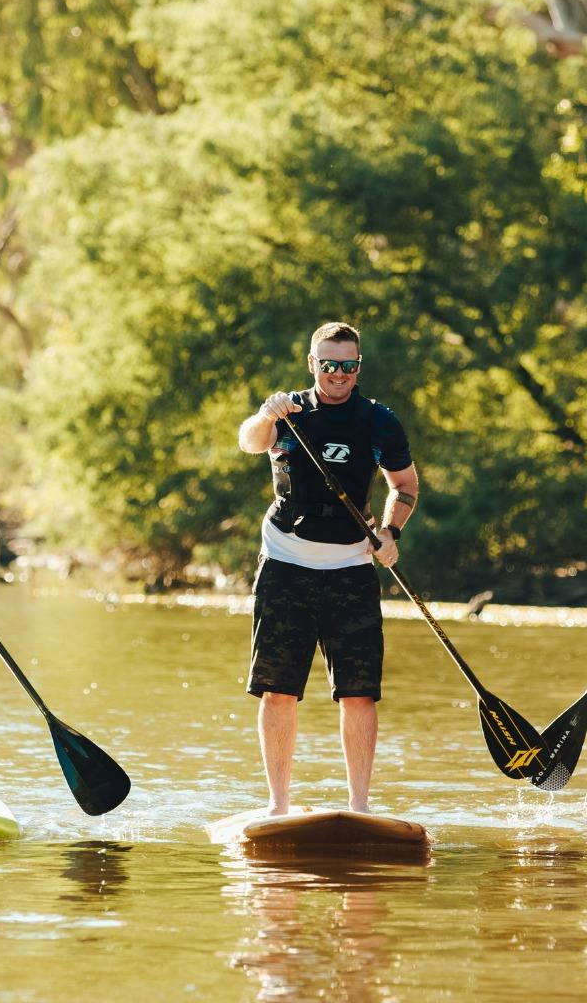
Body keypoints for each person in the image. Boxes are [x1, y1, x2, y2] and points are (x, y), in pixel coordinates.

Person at [237, 321, 419, 815]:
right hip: (286, 563)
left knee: (359, 695)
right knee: (278, 692)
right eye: (329, 365)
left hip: (350, 569)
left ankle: (358, 806)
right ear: (313, 365)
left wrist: (390, 532)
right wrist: (265, 413)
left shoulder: (379, 421)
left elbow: (404, 486)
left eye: (349, 365)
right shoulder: (289, 412)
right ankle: (278, 805)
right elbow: (250, 442)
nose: (339, 374)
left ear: (359, 367)